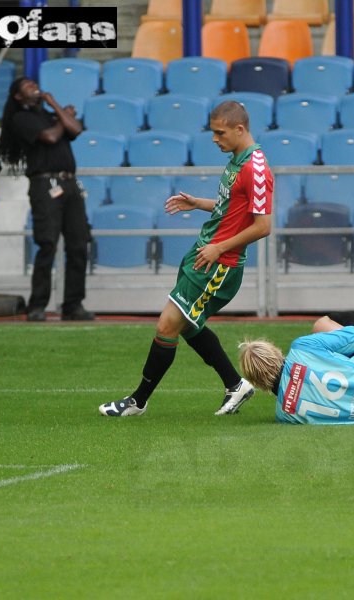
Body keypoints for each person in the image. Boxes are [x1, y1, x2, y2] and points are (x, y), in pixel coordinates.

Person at [99, 101, 273, 417]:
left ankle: (137, 402)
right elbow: (230, 209)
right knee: (188, 324)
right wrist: (199, 203)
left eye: (220, 133)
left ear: (239, 129)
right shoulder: (238, 160)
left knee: (168, 324)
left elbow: (263, 226)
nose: (214, 139)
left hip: (219, 263)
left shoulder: (256, 168)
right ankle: (235, 384)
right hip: (204, 254)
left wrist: (220, 249)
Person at [0, 77, 94, 322]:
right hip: (44, 184)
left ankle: (73, 304)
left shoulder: (51, 115)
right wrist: (61, 113)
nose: (34, 87)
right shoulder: (22, 118)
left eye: (34, 83)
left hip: (70, 184)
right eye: (27, 85)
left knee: (78, 244)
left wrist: (57, 108)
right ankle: (37, 305)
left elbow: (76, 129)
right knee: (47, 244)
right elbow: (51, 137)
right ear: (19, 96)